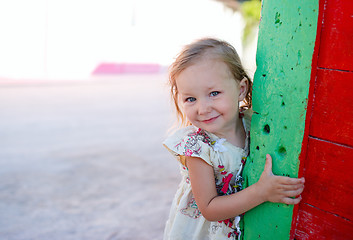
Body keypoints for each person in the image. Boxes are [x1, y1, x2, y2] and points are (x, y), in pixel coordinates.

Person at [162, 38, 305, 240]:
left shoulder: (252, 122)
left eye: (214, 93)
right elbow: (209, 209)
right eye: (190, 99)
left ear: (240, 89)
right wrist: (262, 192)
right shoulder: (198, 149)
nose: (203, 109)